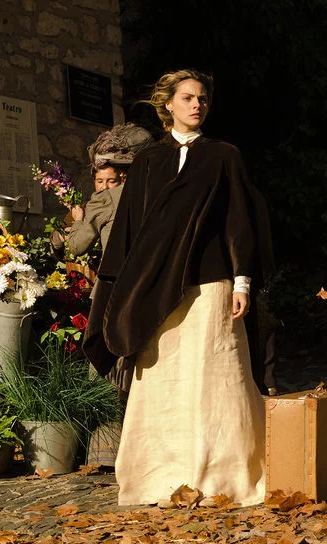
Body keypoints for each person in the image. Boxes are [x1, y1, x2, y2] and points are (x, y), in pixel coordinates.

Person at [83, 69, 274, 507]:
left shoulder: (224, 156)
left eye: (202, 98)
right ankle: (161, 473)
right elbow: (129, 231)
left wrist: (242, 280)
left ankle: (223, 474)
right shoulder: (148, 162)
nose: (196, 105)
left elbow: (238, 221)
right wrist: (118, 290)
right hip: (156, 287)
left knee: (218, 375)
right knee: (165, 377)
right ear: (168, 104)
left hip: (212, 283)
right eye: (187, 97)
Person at [51, 124, 153, 257]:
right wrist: (61, 236)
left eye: (111, 181)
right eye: (100, 181)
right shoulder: (84, 208)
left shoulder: (107, 200)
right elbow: (57, 240)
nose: (104, 187)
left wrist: (78, 222)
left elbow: (77, 246)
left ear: (123, 177)